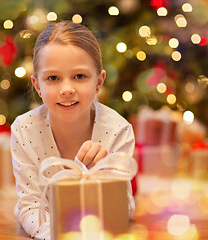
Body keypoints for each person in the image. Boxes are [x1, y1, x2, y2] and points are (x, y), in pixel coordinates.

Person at [11, 20, 135, 240]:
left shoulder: (118, 131)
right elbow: (29, 206)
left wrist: (106, 176)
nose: (67, 89)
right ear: (37, 85)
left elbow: (124, 210)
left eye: (79, 76)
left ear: (99, 81)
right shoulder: (24, 130)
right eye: (53, 78)